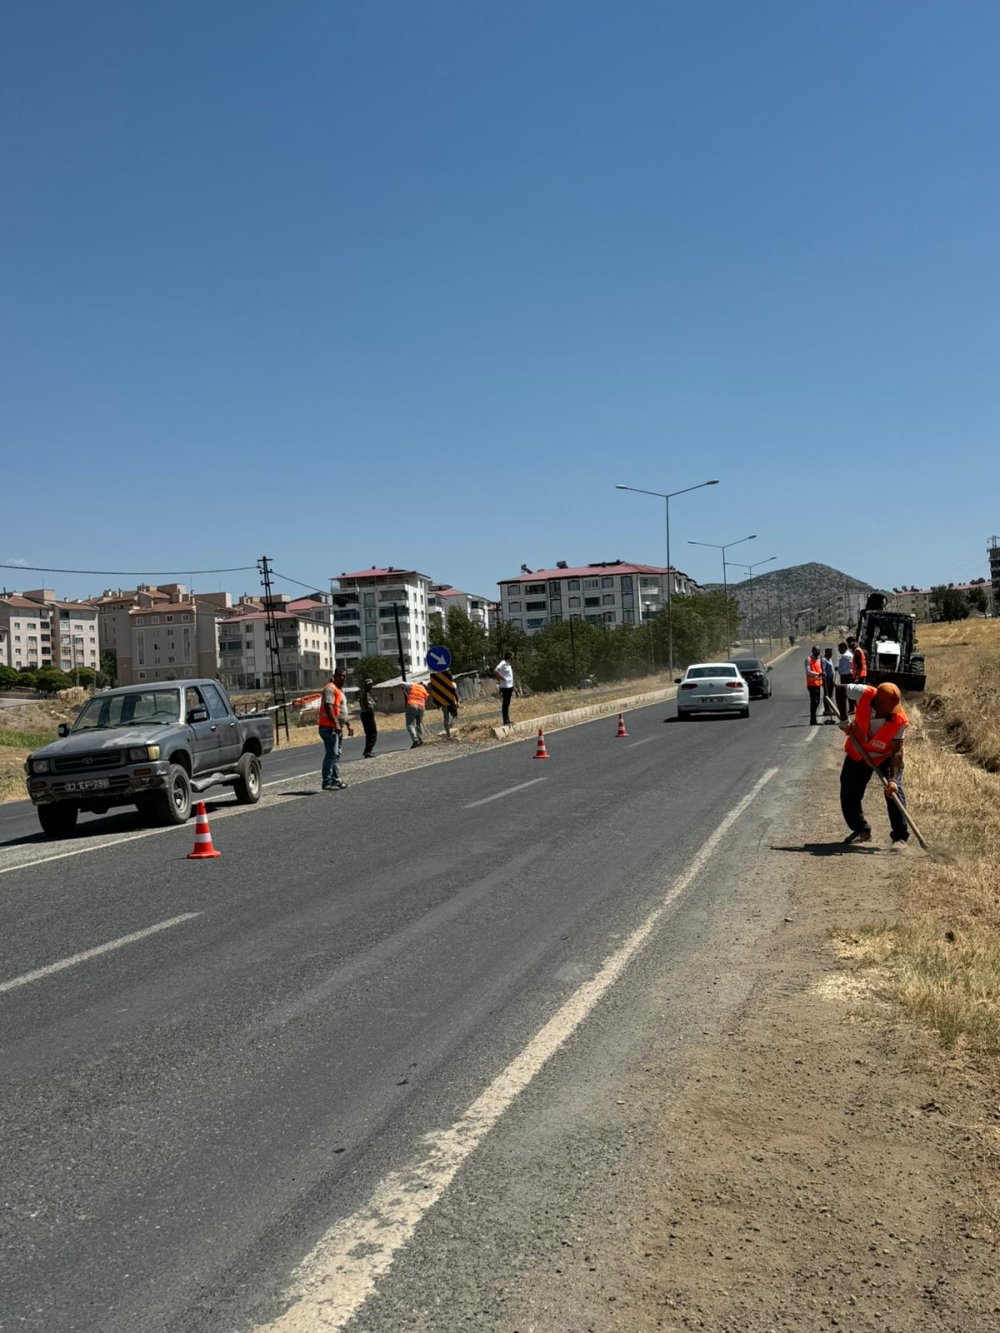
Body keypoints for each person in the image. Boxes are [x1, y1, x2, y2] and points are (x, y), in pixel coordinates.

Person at [840, 681, 909, 846]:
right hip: (858, 751)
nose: (892, 712)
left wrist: (892, 779)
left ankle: (900, 837)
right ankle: (861, 830)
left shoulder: (900, 720)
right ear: (877, 701)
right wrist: (844, 718)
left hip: (885, 757)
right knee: (849, 789)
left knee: (893, 792)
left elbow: (897, 751)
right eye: (889, 708)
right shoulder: (864, 693)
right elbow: (840, 689)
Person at [318, 666, 352, 790]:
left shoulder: (339, 690)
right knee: (332, 754)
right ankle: (327, 781)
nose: (342, 678)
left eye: (344, 676)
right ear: (334, 675)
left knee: (336, 755)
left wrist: (347, 724)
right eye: (340, 675)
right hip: (329, 727)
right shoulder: (330, 689)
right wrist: (336, 724)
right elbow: (328, 707)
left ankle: (336, 780)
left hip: (336, 727)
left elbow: (340, 710)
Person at [405, 679, 429, 747]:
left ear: (420, 683)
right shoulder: (425, 691)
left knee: (410, 723)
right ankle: (421, 739)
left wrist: (404, 687)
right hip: (421, 707)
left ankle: (415, 740)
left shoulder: (414, 685)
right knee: (419, 723)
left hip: (412, 705)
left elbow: (402, 683)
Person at [358, 677, 378, 758]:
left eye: (371, 684)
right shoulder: (366, 693)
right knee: (372, 733)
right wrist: (374, 702)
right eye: (369, 685)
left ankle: (368, 751)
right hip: (367, 714)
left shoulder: (366, 693)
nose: (370, 686)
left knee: (369, 733)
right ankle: (368, 751)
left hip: (365, 714)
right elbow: (368, 705)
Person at [494, 652, 515, 726]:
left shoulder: (508, 664)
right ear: (509, 656)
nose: (513, 657)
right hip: (505, 686)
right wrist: (502, 677)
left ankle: (507, 719)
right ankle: (505, 720)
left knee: (507, 703)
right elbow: (496, 670)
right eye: (512, 656)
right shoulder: (503, 662)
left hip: (509, 686)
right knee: (505, 703)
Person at [804, 645, 824, 725]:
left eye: (819, 650)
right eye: (816, 650)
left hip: (818, 683)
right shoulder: (808, 659)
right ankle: (813, 720)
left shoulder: (819, 659)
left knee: (817, 702)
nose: (818, 652)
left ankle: (813, 718)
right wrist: (819, 674)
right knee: (814, 702)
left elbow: (821, 670)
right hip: (811, 684)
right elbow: (808, 671)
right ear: (812, 651)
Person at [836, 640, 853, 721]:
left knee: (846, 692)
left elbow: (842, 668)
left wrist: (838, 669)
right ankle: (852, 708)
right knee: (850, 691)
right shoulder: (850, 654)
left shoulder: (845, 656)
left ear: (843, 648)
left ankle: (850, 709)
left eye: (840, 649)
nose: (839, 650)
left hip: (845, 676)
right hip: (849, 675)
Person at [821, 648, 837, 724]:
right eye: (829, 653)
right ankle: (826, 710)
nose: (831, 654)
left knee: (830, 694)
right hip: (826, 678)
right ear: (826, 652)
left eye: (831, 653)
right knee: (826, 694)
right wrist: (824, 678)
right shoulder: (824, 660)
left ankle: (829, 709)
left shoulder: (829, 659)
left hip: (831, 678)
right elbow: (823, 669)